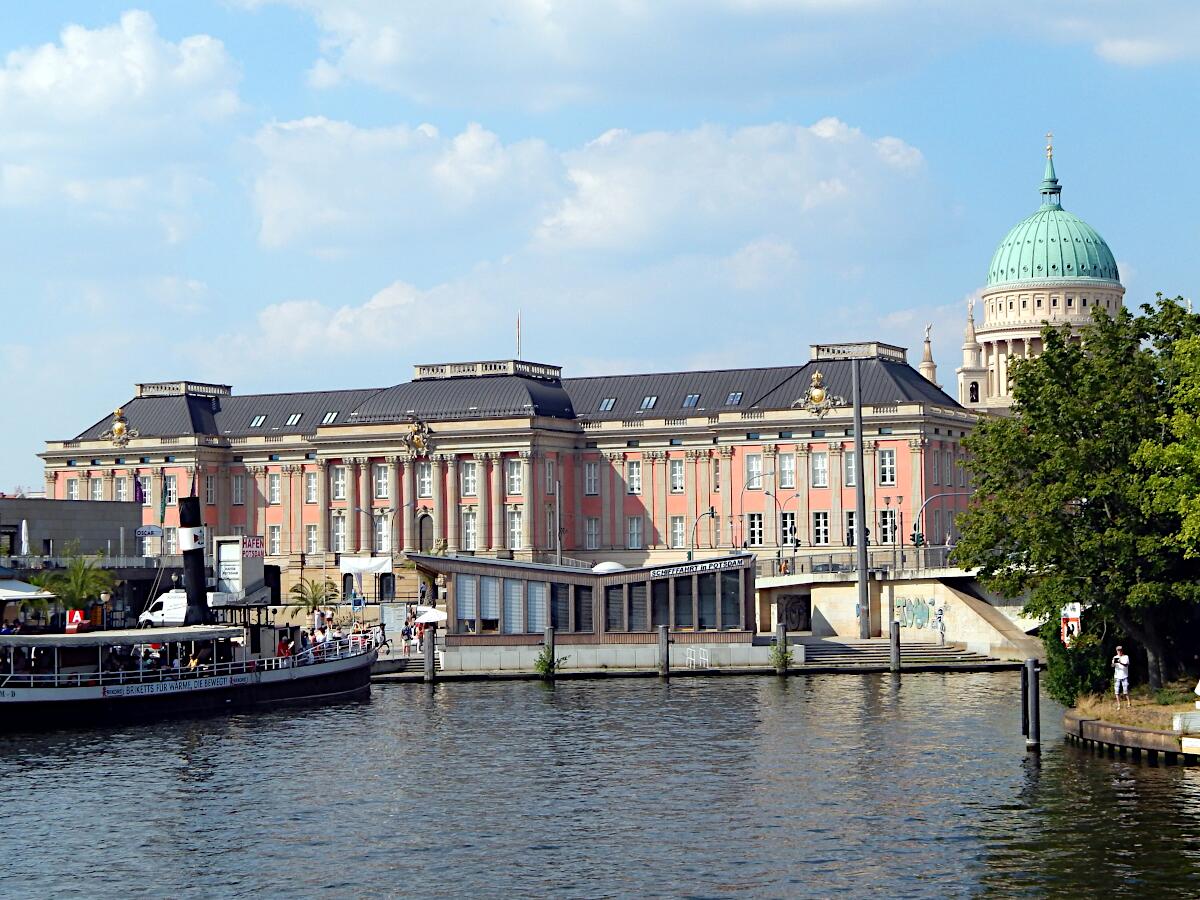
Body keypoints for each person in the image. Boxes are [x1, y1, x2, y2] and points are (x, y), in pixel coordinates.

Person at [1112, 645, 1131, 709]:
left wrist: (1120, 662)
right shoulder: (1115, 657)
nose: (1119, 651)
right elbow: (1112, 666)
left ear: (1122, 650)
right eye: (1118, 650)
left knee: (1125, 691)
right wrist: (1113, 664)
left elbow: (1126, 665)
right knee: (1116, 691)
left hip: (1124, 676)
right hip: (1117, 676)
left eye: (1120, 650)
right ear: (1116, 651)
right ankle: (1119, 705)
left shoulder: (1126, 657)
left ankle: (1129, 703)